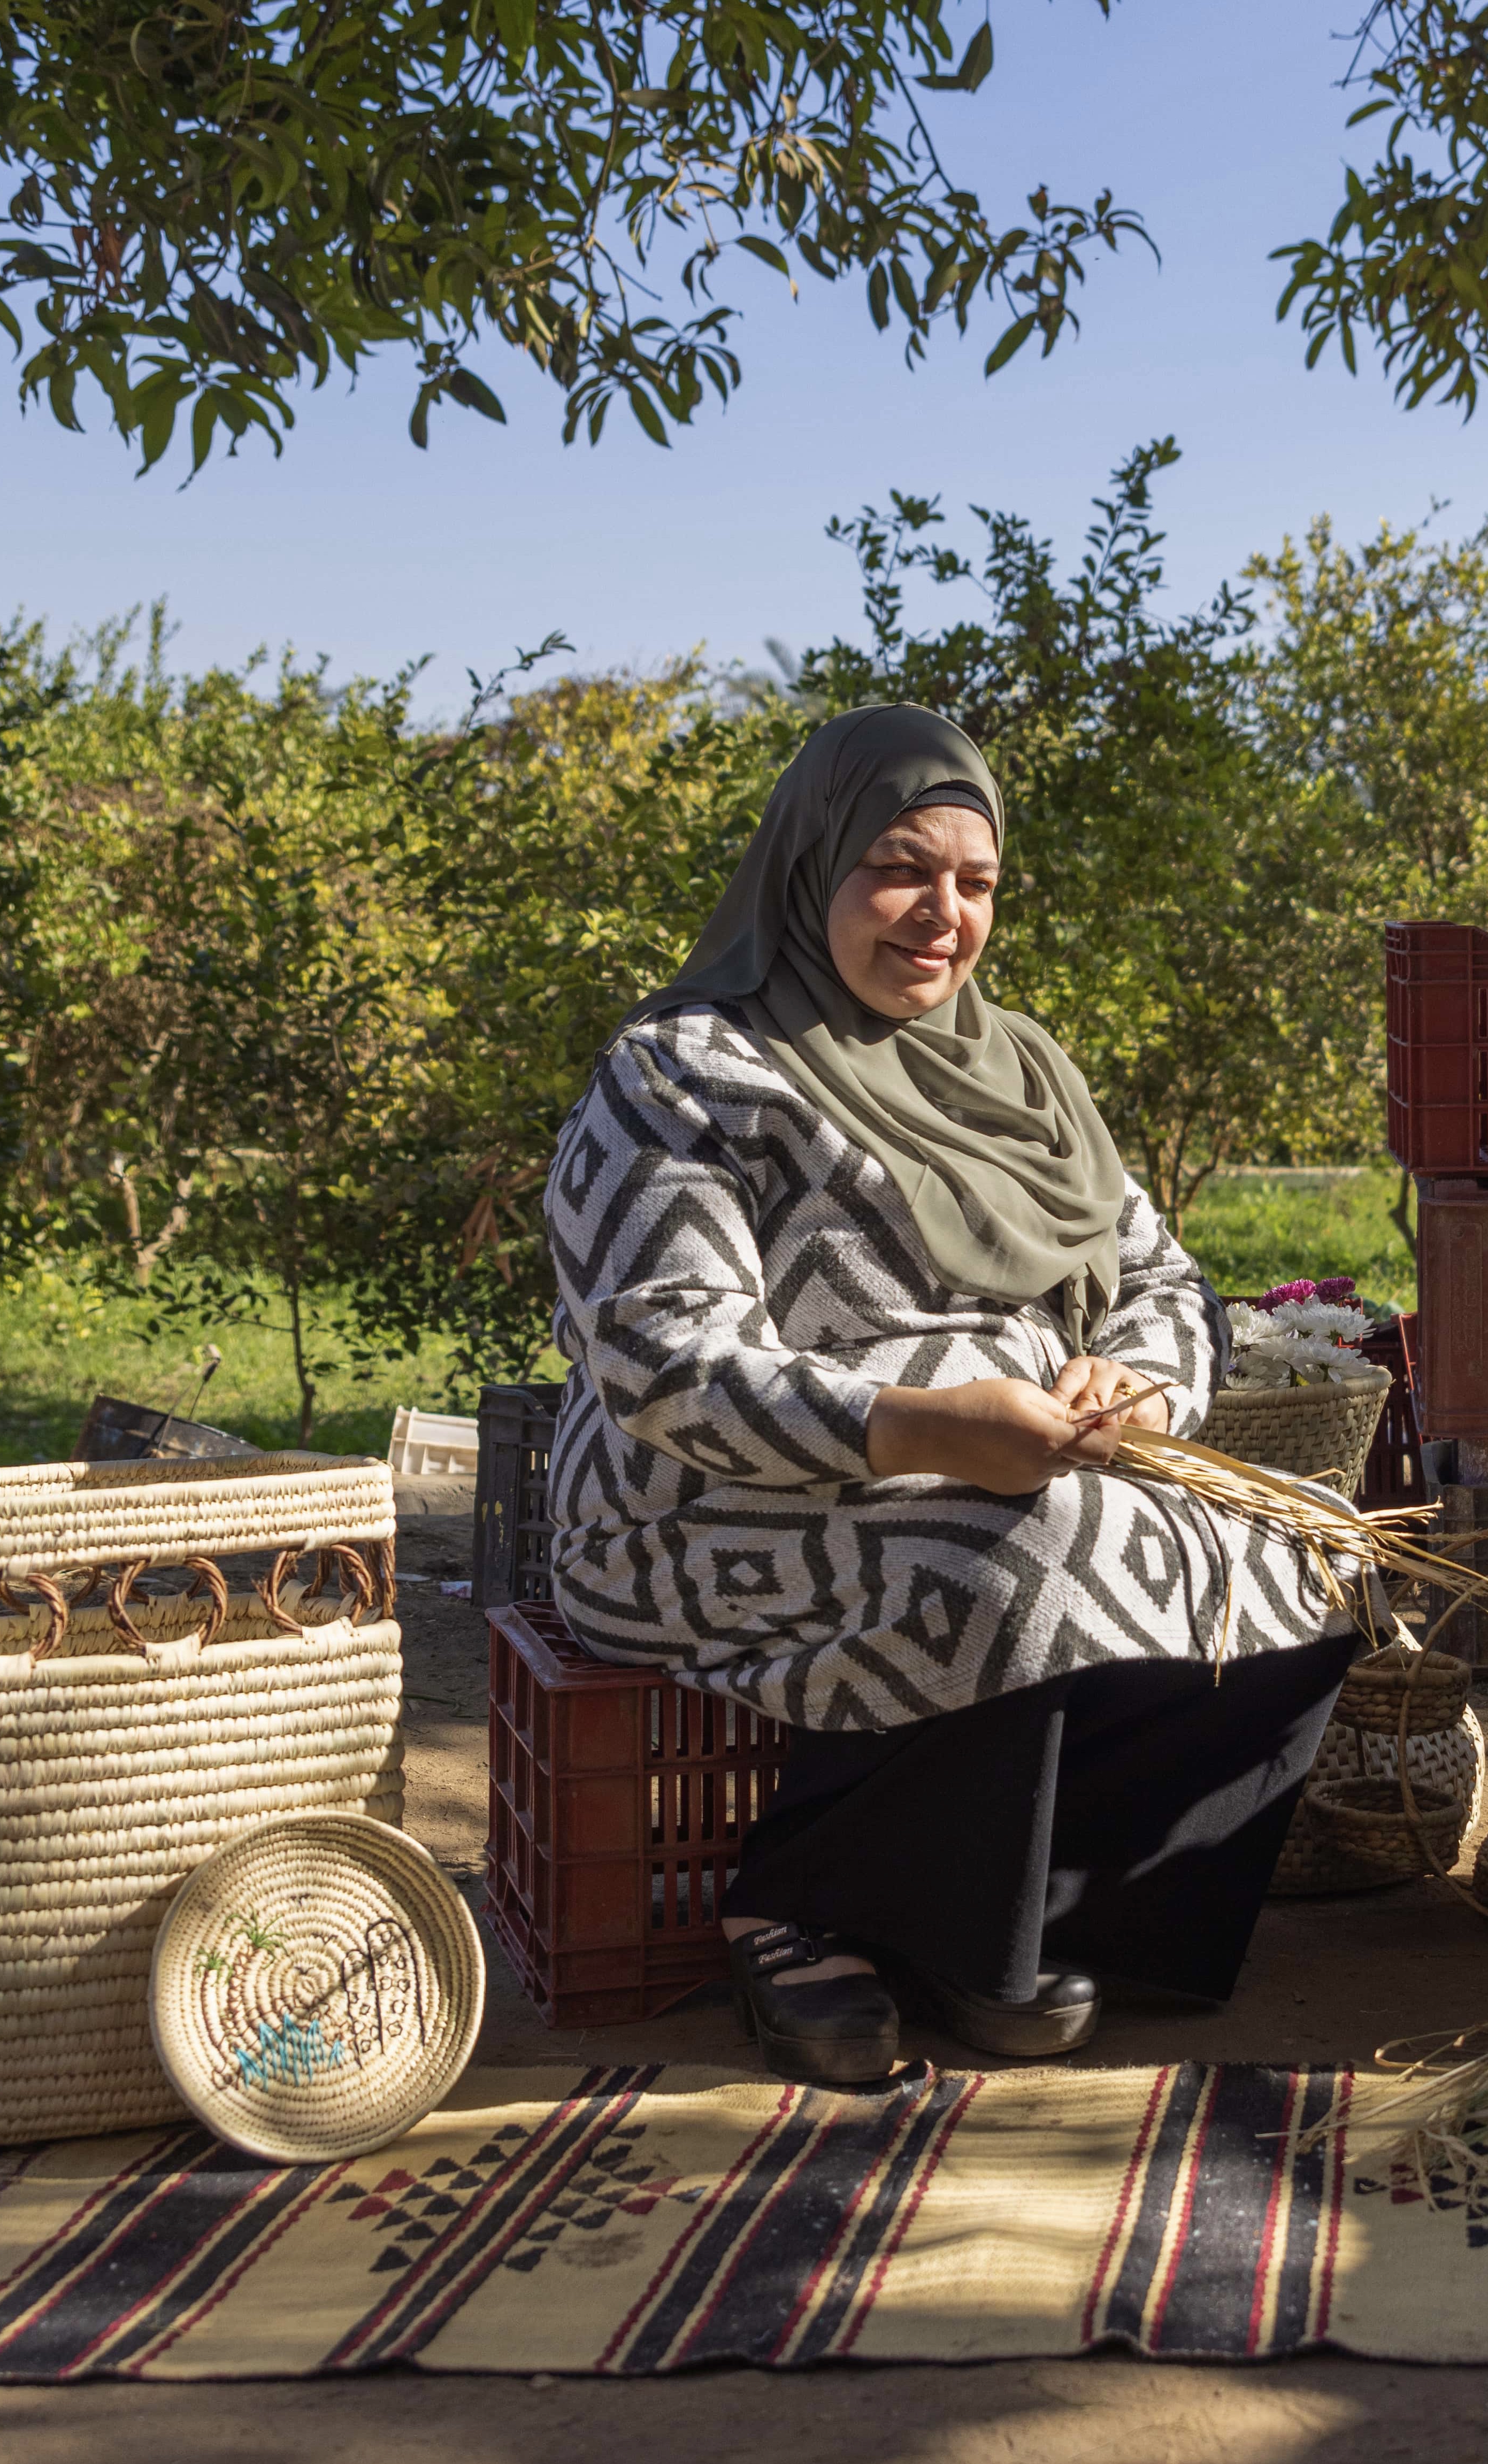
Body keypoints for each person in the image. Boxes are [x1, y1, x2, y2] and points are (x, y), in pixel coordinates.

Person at [542, 703, 1359, 2086]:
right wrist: (915, 1426)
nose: (941, 915)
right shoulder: (685, 1073)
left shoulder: (1023, 1073)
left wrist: (1146, 1383)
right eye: (900, 869)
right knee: (1015, 1553)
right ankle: (801, 1908)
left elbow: (1162, 1276)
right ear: (811, 867)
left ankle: (1020, 1915)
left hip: (1018, 1466)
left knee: (1312, 1553)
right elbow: (663, 1358)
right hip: (697, 1502)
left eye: (975, 884)